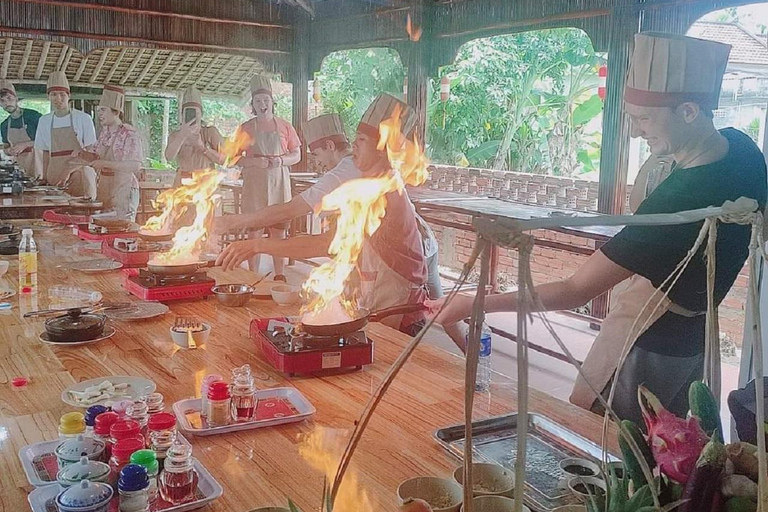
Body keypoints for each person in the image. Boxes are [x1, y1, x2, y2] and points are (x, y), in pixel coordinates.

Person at [428, 32, 768, 424]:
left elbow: (575, 290)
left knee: (602, 439)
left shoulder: (678, 201)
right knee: (671, 447)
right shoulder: (743, 150)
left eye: (643, 119)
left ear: (689, 111)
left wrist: (476, 302)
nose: (637, 132)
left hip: (646, 343)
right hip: (696, 341)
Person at [217, 93, 428, 335]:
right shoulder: (369, 182)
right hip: (381, 297)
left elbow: (326, 244)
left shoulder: (381, 190)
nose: (354, 145)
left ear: (382, 150)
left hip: (400, 310)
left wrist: (257, 245)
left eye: (361, 139)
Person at [234, 75, 302, 280]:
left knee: (278, 232)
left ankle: (279, 274)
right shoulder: (245, 128)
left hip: (279, 181)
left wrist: (280, 161)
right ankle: (253, 275)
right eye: (257, 101)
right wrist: (254, 162)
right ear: (253, 105)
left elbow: (297, 154)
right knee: (254, 232)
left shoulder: (285, 127)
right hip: (254, 184)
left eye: (265, 100)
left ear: (272, 102)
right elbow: (234, 158)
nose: (262, 104)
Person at [82, 85, 143, 221]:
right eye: (99, 110)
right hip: (105, 189)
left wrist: (104, 163)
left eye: (103, 110)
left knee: (122, 231)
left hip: (124, 190)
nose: (100, 114)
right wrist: (81, 154)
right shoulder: (105, 133)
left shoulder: (129, 133)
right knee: (103, 227)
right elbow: (96, 155)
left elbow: (135, 166)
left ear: (116, 112)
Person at [34, 71, 98, 198]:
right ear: (48, 97)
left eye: (62, 94)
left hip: (80, 174)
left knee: (81, 211)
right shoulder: (44, 121)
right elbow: (45, 154)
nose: (58, 99)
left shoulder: (83, 118)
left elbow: (91, 154)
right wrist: (44, 178)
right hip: (55, 175)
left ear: (69, 96)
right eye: (53, 95)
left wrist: (68, 171)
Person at [164, 86, 225, 186]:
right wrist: (182, 136)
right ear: (182, 114)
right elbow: (169, 157)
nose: (192, 116)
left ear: (201, 114)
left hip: (205, 184)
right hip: (183, 184)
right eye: (188, 112)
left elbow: (224, 160)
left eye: (195, 112)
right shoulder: (176, 135)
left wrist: (203, 148)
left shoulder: (210, 132)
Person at [0, 80, 42, 178]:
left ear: (16, 99)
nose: (7, 103)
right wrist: (9, 151)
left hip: (39, 165)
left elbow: (48, 140)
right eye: (2, 101)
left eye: (9, 98)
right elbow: (5, 148)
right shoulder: (4, 125)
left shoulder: (33, 116)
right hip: (19, 169)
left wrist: (26, 144)